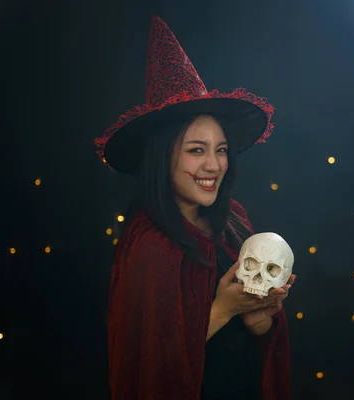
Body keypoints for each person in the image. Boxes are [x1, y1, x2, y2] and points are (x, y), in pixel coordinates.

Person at [94, 16, 295, 400]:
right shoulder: (148, 245)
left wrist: (259, 316)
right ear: (162, 159)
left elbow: (256, 337)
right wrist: (222, 307)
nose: (213, 165)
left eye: (220, 150)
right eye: (196, 150)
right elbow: (147, 367)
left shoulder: (233, 220)